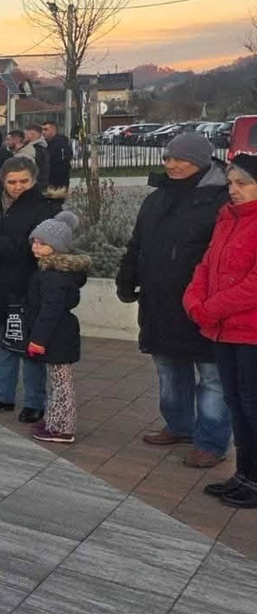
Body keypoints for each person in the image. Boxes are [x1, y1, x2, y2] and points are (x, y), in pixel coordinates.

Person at [117, 132, 232, 468]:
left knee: (212, 376)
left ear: (201, 161)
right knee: (169, 367)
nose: (171, 165)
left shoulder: (222, 200)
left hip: (203, 304)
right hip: (159, 301)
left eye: (180, 159)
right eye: (168, 158)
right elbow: (138, 243)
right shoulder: (157, 199)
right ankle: (179, 424)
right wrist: (127, 276)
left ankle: (211, 441)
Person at [184, 154, 257, 507]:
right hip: (223, 331)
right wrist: (193, 298)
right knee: (236, 404)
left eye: (243, 183)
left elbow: (253, 285)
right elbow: (206, 264)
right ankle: (244, 473)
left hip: (250, 332)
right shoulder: (227, 218)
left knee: (252, 405)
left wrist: (209, 308)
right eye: (230, 183)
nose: (234, 189)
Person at [0, 157, 56, 423]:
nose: (18, 186)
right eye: (12, 181)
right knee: (4, 342)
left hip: (26, 284)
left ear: (34, 180)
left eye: (24, 181)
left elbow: (30, 248)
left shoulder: (43, 207)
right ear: (3, 181)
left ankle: (34, 401)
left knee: (29, 346)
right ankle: (3, 395)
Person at [24, 211, 90, 444]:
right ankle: (54, 420)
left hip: (56, 336)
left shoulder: (55, 276)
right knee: (56, 380)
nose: (35, 246)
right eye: (34, 241)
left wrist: (38, 340)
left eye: (42, 243)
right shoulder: (49, 270)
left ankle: (63, 428)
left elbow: (50, 311)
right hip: (57, 334)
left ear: (57, 247)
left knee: (61, 383)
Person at [41, 120, 72, 202]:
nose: (43, 132)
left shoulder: (60, 144)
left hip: (57, 183)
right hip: (48, 182)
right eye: (42, 130)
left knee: (55, 204)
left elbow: (62, 164)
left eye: (46, 129)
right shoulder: (46, 144)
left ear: (53, 130)